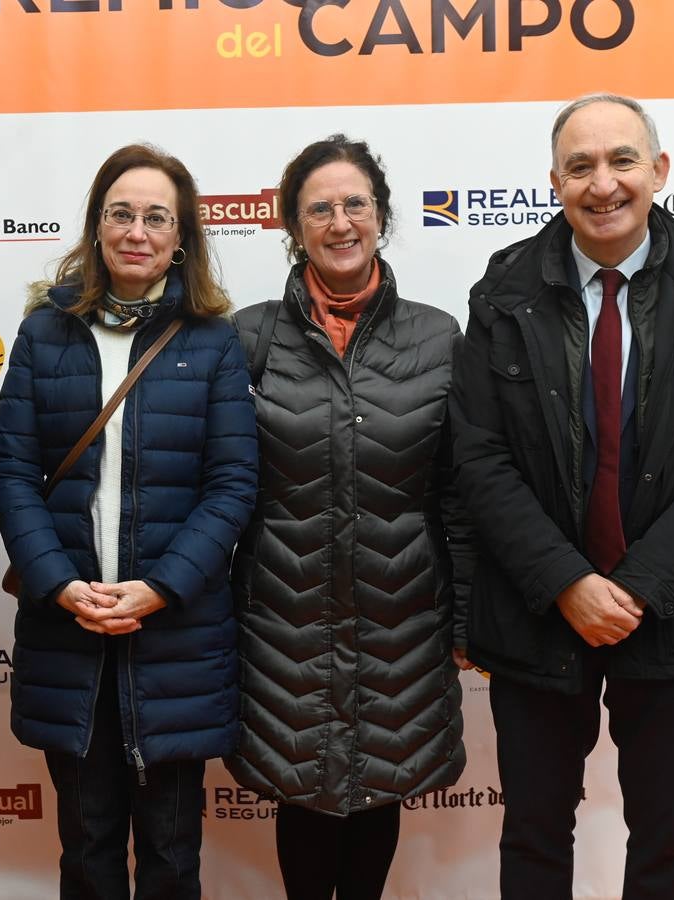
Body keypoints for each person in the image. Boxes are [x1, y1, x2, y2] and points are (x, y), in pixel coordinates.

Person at [449, 93, 674, 900]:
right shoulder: (500, 296)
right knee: (532, 834)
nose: (602, 183)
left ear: (657, 171)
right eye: (580, 165)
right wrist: (566, 582)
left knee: (666, 841)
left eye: (621, 160)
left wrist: (633, 589)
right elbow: (480, 457)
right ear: (554, 182)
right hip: (536, 610)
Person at [0, 144, 258, 900]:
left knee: (172, 855)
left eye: (155, 217)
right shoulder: (46, 334)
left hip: (174, 637)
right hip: (66, 631)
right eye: (120, 213)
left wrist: (161, 588)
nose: (136, 231)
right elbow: (10, 473)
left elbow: (232, 484)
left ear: (181, 239)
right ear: (96, 227)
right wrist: (58, 583)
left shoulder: (211, 342)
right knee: (87, 850)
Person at [225, 134, 470, 900]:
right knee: (303, 792)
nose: (339, 222)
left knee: (376, 789)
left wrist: (463, 620)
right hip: (282, 619)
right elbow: (219, 486)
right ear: (291, 226)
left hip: (401, 617)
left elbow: (458, 494)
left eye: (354, 204)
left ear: (381, 216)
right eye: (319, 208)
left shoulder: (436, 338)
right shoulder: (248, 336)